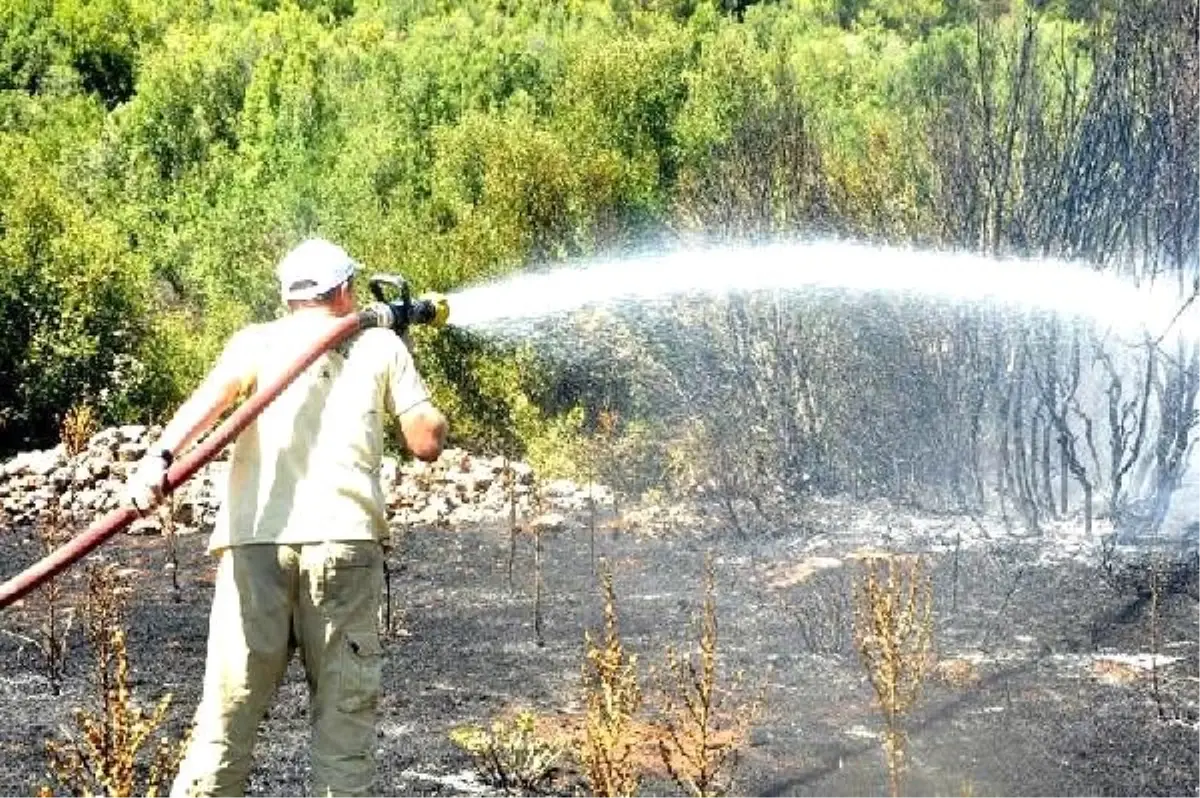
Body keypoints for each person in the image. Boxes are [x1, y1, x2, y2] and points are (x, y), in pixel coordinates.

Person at [123, 238, 448, 797]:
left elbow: (208, 402)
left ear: (288, 295)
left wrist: (157, 460)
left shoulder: (257, 342)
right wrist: (416, 381)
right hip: (344, 545)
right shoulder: (379, 347)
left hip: (255, 547)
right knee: (343, 724)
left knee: (227, 717)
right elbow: (425, 442)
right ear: (346, 290)